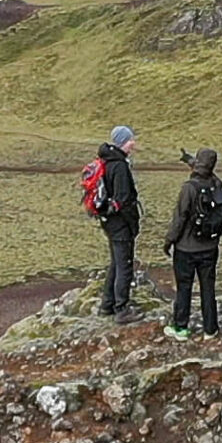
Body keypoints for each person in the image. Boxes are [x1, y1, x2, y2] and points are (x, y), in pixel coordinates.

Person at [161, 147, 222, 340]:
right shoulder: (217, 184)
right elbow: (207, 173)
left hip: (186, 249)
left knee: (184, 287)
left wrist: (169, 241)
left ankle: (181, 327)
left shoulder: (188, 188)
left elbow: (179, 218)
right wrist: (189, 160)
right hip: (210, 247)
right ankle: (211, 329)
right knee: (208, 288)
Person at [90, 125, 142, 321]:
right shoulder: (119, 166)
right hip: (120, 224)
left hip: (109, 222)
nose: (133, 143)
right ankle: (121, 310)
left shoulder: (107, 161)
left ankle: (107, 304)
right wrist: (132, 224)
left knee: (116, 263)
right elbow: (123, 199)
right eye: (130, 140)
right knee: (124, 266)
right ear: (122, 142)